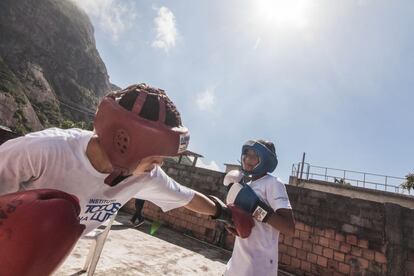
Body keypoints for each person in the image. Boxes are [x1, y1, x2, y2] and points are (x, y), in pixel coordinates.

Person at [0, 83, 252, 275]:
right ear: (127, 142)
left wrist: (224, 213)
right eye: (157, 154)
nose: (161, 163)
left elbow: (187, 197)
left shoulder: (144, 176)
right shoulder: (43, 150)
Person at [223, 139, 296, 276]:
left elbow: (289, 228)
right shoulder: (246, 186)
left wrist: (256, 207)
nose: (247, 159)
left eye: (254, 156)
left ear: (266, 161)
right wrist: (233, 223)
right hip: (234, 267)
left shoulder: (273, 183)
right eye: (246, 154)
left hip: (258, 269)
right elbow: (250, 227)